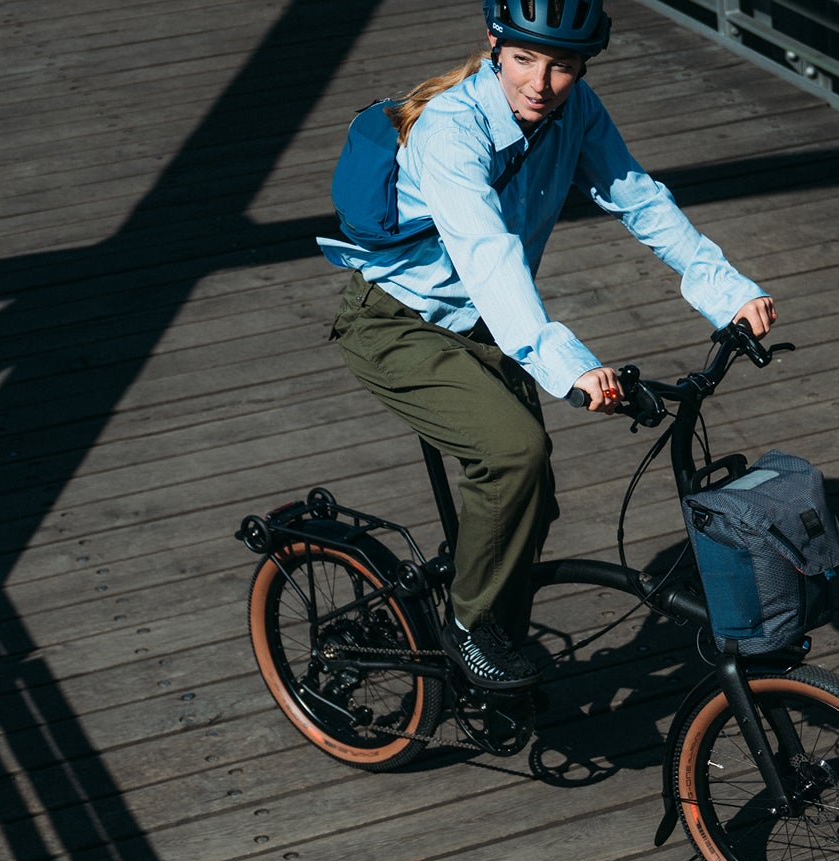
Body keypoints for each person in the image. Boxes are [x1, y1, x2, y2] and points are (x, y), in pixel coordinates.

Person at [317, 0, 776, 690]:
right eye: (525, 59)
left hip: (483, 323)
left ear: (582, 66)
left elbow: (638, 198)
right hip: (398, 321)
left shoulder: (576, 109)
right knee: (513, 456)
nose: (540, 82)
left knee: (532, 497)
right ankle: (470, 626)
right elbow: (490, 256)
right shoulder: (450, 129)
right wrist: (572, 367)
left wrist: (728, 289)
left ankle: (497, 644)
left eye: (562, 66)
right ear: (495, 46)